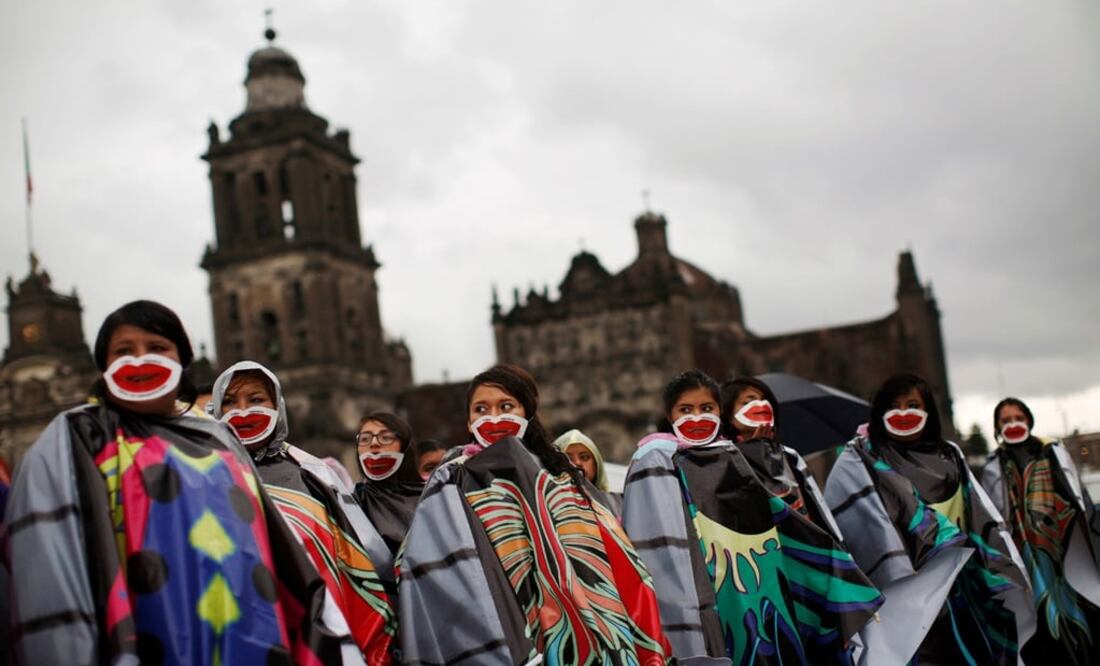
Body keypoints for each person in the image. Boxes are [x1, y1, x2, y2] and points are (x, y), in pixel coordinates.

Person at [3, 300, 356, 665]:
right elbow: (45, 569)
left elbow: (283, 560)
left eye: (157, 348)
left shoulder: (220, 440)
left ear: (181, 359)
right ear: (104, 366)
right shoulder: (75, 437)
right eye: (125, 350)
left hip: (247, 639)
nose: (141, 359)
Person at [397, 364, 673, 665]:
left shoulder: (560, 475)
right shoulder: (452, 478)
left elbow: (614, 557)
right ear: (468, 420)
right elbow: (421, 560)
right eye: (481, 409)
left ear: (527, 413)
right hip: (497, 628)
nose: (494, 417)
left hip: (584, 633)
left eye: (505, 406)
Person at [623, 370, 882, 664]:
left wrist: (835, 574)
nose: (697, 417)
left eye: (706, 408)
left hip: (761, 586)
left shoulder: (737, 456)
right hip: (708, 589)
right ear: (670, 415)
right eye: (686, 409)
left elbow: (780, 520)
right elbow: (654, 541)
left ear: (719, 412)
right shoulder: (656, 459)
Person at [824, 373, 1035, 665]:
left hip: (961, 594)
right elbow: (842, 528)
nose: (904, 412)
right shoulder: (858, 457)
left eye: (913, 404)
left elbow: (979, 517)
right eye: (894, 405)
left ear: (927, 412)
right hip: (898, 599)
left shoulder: (951, 455)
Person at [210, 361, 396, 664]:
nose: (242, 411)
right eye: (229, 402)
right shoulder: (203, 476)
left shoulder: (312, 472)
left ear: (277, 405)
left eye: (256, 400)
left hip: (324, 629)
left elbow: (357, 559)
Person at [981, 397, 1100, 664]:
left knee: (1081, 607)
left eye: (1018, 418)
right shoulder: (993, 466)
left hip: (1065, 549)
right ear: (997, 428)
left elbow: (1079, 499)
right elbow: (991, 515)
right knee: (1039, 619)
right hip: (1024, 557)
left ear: (1029, 420)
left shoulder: (1053, 452)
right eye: (1006, 420)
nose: (1013, 424)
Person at [352, 412, 424, 556]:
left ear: (405, 446)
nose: (374, 444)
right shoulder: (350, 504)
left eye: (386, 438)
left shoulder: (433, 497)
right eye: (365, 439)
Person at [555, 428, 623, 515]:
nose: (577, 463)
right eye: (568, 459)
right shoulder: (544, 505)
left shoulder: (616, 505)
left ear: (596, 465)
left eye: (584, 457)